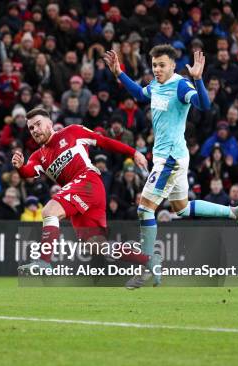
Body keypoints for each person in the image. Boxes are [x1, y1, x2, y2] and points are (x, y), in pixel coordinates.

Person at [104, 45, 238, 288]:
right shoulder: (155, 85)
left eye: (162, 65)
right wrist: (119, 73)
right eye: (154, 65)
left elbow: (203, 105)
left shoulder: (181, 85)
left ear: (173, 65)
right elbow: (140, 94)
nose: (157, 69)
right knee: (182, 208)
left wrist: (198, 80)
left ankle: (147, 268)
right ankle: (234, 212)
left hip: (171, 159)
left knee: (144, 210)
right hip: (171, 156)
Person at [14, 108, 149, 275]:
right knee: (96, 246)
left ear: (50, 123)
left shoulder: (73, 131)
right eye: (31, 128)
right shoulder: (37, 156)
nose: (34, 130)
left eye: (38, 124)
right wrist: (20, 167)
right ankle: (148, 260)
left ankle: (43, 261)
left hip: (88, 181)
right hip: (79, 195)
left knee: (49, 211)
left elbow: (103, 141)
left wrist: (134, 152)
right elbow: (28, 173)